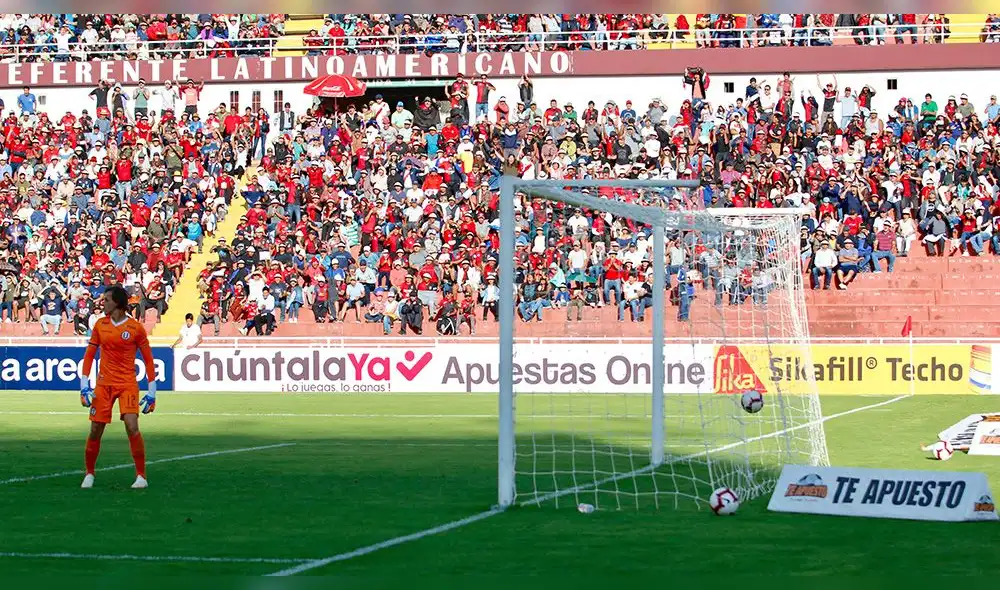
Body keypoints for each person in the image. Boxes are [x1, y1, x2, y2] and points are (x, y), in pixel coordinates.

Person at [79, 286, 157, 490]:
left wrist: (152, 391)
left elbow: (148, 360)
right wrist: (84, 384)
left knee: (132, 425)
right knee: (96, 429)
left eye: (106, 300)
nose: (102, 302)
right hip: (103, 384)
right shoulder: (99, 325)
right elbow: (89, 354)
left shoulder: (135, 328)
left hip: (127, 384)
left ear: (118, 303)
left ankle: (141, 476)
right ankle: (89, 473)